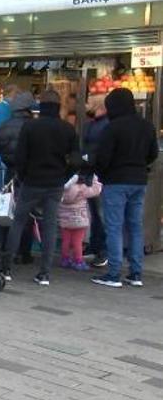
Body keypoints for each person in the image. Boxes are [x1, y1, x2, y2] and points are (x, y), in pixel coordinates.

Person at [3, 90, 80, 286]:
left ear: (40, 105)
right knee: (49, 226)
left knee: (18, 222)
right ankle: (44, 273)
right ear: (58, 105)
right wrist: (64, 176)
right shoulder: (68, 129)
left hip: (32, 181)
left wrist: (22, 176)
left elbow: (20, 157)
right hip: (55, 184)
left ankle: (6, 267)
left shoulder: (30, 127)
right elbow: (76, 160)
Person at [91, 88, 159, 288]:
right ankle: (135, 273)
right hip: (139, 180)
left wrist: (102, 173)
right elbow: (153, 153)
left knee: (114, 227)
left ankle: (114, 273)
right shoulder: (147, 126)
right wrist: (140, 165)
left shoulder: (113, 128)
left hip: (116, 181)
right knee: (135, 226)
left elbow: (103, 158)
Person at [0, 91, 37, 269]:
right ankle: (23, 252)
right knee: (26, 215)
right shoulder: (33, 126)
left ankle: (5, 247)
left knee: (7, 212)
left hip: (10, 173)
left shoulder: (4, 126)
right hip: (28, 175)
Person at [82, 95, 110, 267]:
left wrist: (84, 160)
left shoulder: (102, 126)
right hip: (92, 172)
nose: (86, 104)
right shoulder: (94, 124)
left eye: (89, 102)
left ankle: (102, 250)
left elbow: (96, 150)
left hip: (97, 173)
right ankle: (95, 246)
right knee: (96, 213)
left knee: (100, 214)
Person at [58, 173, 102, 271]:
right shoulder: (82, 188)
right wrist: (94, 178)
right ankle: (78, 261)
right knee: (77, 242)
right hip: (79, 220)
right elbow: (96, 191)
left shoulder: (61, 189)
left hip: (65, 220)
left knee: (66, 241)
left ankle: (65, 259)